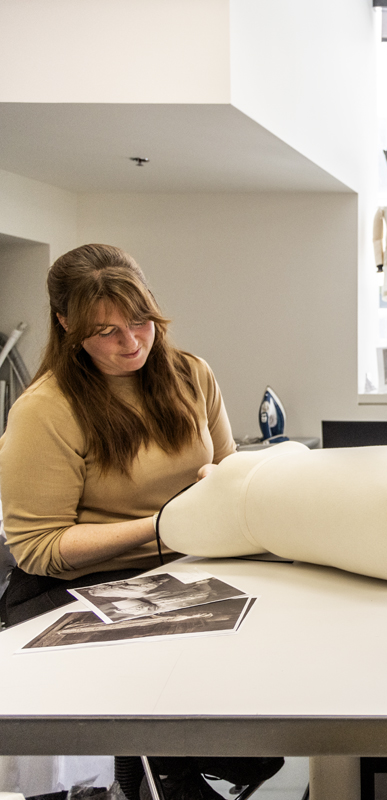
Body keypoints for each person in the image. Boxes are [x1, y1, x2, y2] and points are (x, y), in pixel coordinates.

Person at [0, 244, 281, 797]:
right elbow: (38, 547)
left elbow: (229, 477)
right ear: (65, 324)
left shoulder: (190, 374)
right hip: (81, 588)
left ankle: (161, 768)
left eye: (139, 321)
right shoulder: (45, 410)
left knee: (263, 753)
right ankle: (157, 771)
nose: (130, 344)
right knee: (185, 746)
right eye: (105, 331)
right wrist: (166, 524)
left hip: (185, 571)